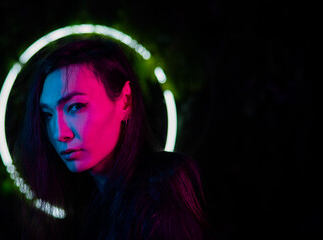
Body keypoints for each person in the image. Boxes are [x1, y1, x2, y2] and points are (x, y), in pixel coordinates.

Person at [17, 35, 209, 239]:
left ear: (125, 101)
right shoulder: (92, 204)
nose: (59, 133)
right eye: (48, 115)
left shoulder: (162, 187)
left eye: (76, 107)